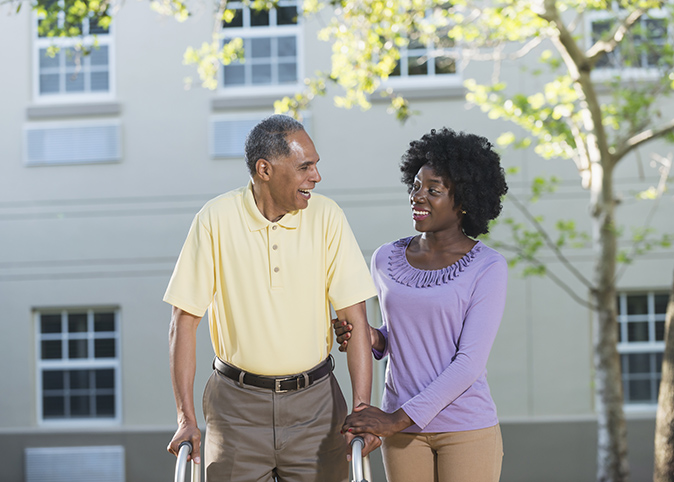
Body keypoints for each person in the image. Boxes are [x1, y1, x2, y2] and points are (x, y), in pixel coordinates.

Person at [164, 114, 380, 482]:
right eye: (304, 167)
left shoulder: (327, 217)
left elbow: (355, 317)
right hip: (235, 409)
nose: (316, 176)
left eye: (316, 165)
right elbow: (184, 321)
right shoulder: (215, 219)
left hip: (316, 407)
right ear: (265, 169)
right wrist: (186, 419)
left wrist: (361, 408)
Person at [334, 127, 509, 482]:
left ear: (463, 201)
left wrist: (393, 419)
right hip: (402, 435)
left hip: (464, 427)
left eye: (434, 190)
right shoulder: (386, 258)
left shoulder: (487, 267)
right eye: (416, 185)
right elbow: (401, 333)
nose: (418, 196)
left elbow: (468, 364)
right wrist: (371, 337)